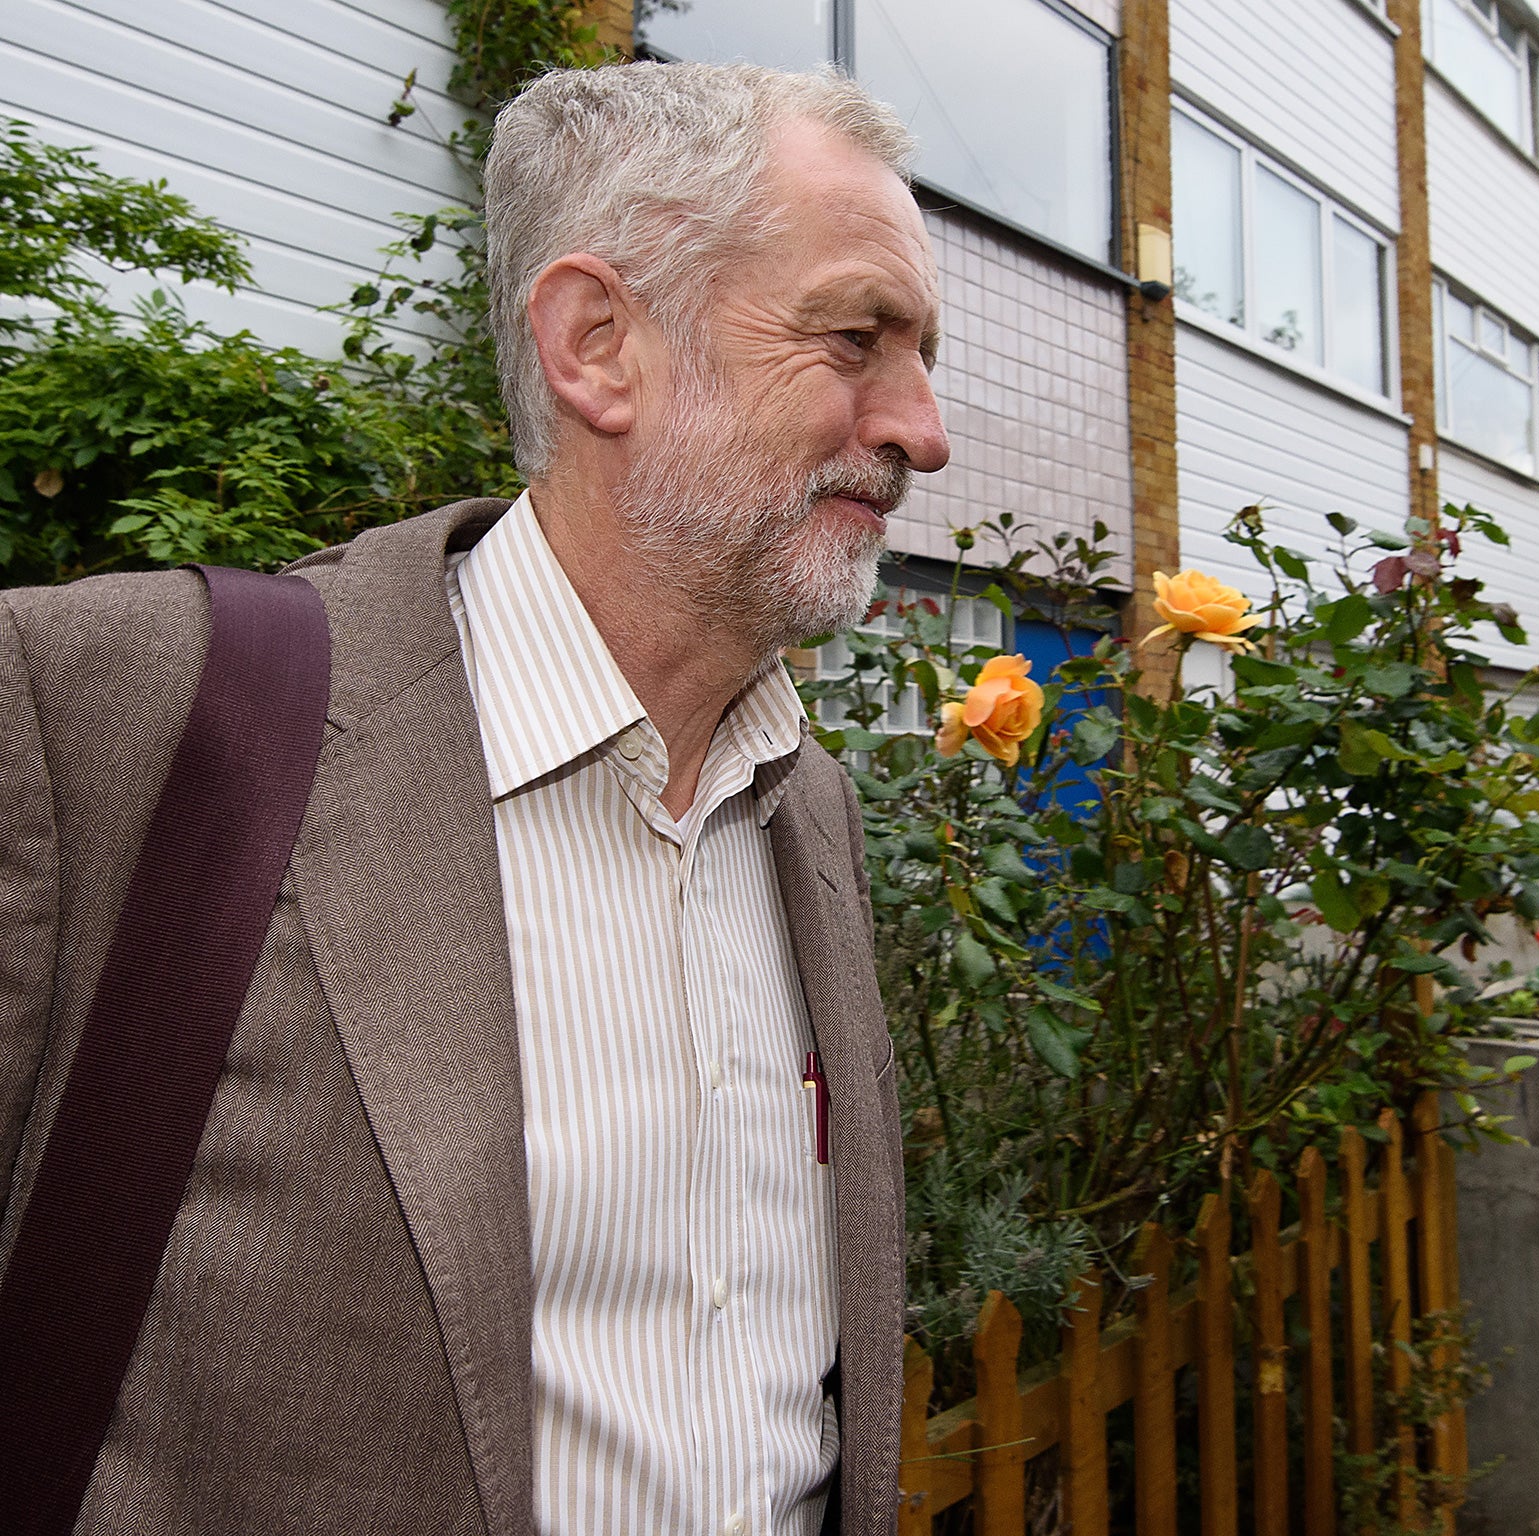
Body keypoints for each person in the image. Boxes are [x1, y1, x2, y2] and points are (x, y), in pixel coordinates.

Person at [0, 61, 947, 1535]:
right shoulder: (114, 709)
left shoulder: (805, 807)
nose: (922, 431)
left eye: (923, 360)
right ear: (597, 344)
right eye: (853, 338)